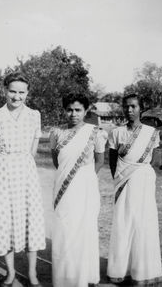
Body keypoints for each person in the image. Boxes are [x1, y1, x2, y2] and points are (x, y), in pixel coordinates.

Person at [0, 72, 45, 287]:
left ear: (27, 93)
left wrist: (22, 164)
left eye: (21, 92)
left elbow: (34, 148)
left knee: (31, 220)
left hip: (26, 172)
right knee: (4, 222)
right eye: (12, 91)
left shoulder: (34, 115)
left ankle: (32, 273)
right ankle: (10, 273)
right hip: (1, 173)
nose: (17, 97)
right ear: (5, 91)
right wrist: (1, 169)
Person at [50, 93, 107, 287]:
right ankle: (64, 277)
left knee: (83, 228)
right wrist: (68, 178)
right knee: (64, 228)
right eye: (69, 110)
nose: (73, 114)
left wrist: (85, 178)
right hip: (63, 187)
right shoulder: (56, 133)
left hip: (85, 187)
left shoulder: (95, 132)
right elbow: (57, 161)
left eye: (78, 110)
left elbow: (99, 161)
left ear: (85, 111)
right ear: (64, 110)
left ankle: (82, 276)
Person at [107, 93, 162, 285]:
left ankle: (143, 271)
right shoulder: (116, 132)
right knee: (124, 223)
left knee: (143, 224)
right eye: (126, 107)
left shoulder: (151, 133)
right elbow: (113, 162)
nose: (129, 110)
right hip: (124, 182)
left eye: (133, 106)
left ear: (141, 109)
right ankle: (121, 270)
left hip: (144, 181)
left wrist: (139, 175)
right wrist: (121, 180)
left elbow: (154, 159)